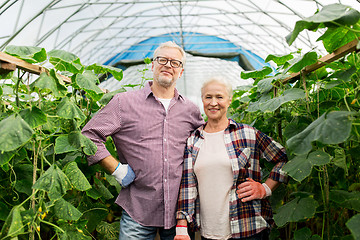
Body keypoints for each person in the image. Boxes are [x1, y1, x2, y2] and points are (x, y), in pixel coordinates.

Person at [81, 41, 204, 240]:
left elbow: (205, 144)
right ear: (152, 65)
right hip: (137, 207)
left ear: (181, 72)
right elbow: (89, 136)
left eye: (175, 62)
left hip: (179, 210)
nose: (168, 65)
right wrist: (117, 169)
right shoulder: (123, 103)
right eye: (162, 60)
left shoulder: (190, 110)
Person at [174, 77, 288, 240]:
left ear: (229, 100)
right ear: (202, 101)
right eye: (208, 97)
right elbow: (188, 186)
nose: (213, 102)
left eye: (219, 97)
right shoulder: (193, 140)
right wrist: (181, 227)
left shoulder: (248, 134)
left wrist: (265, 188)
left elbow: (283, 159)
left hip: (248, 228)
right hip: (209, 232)